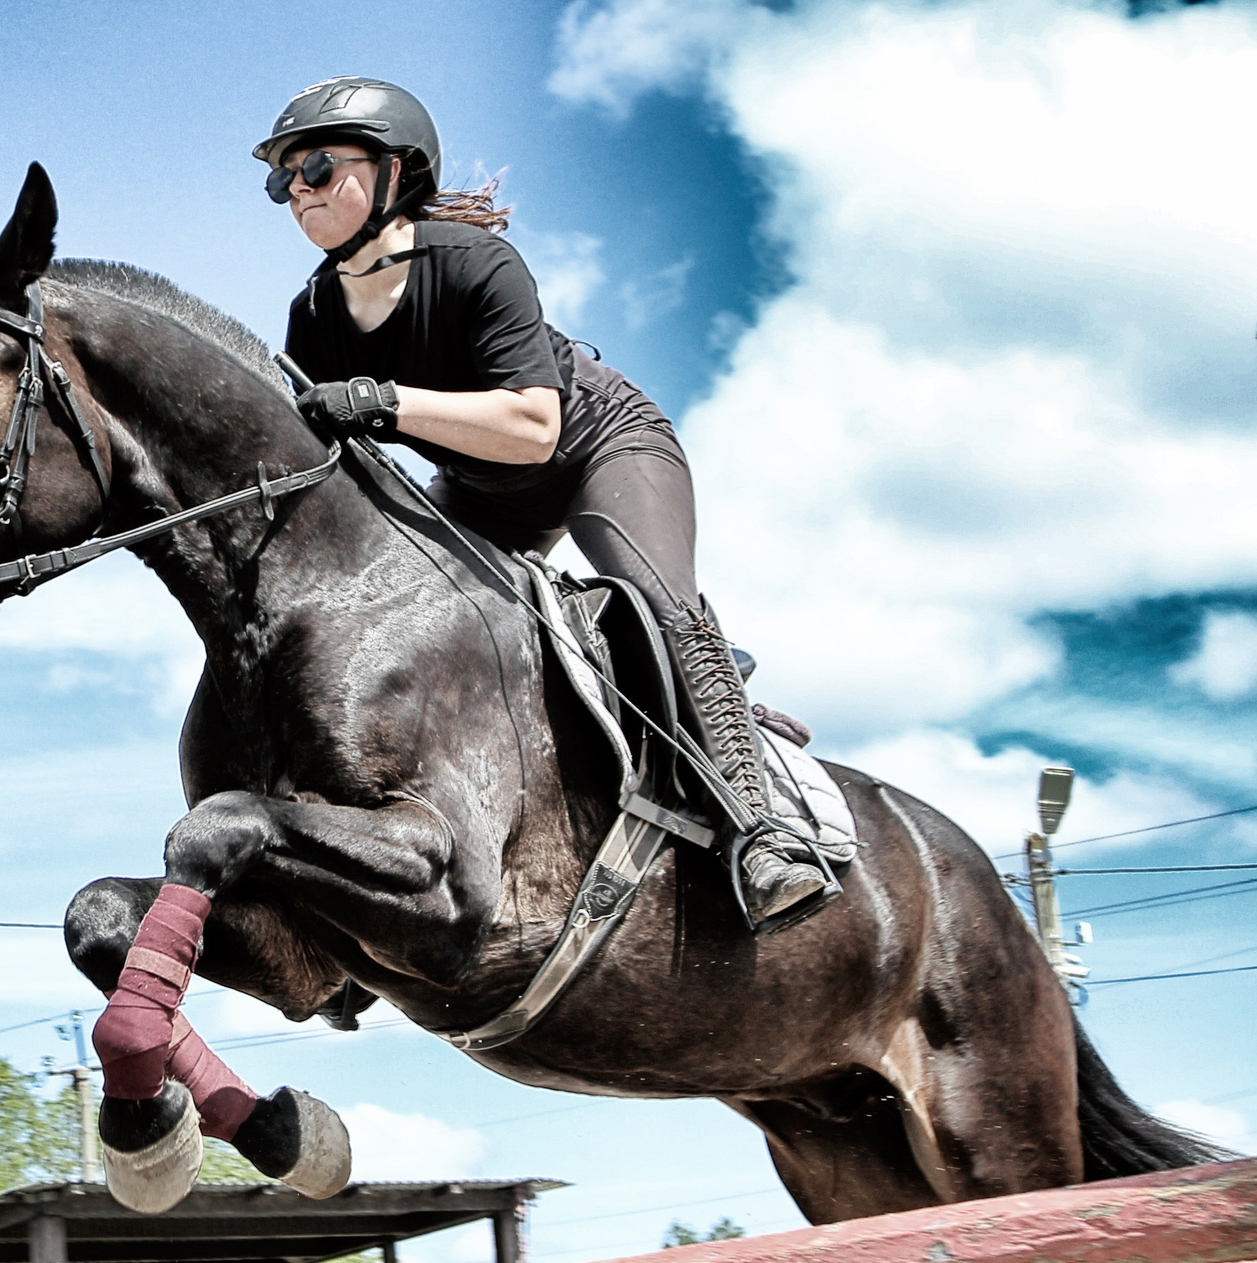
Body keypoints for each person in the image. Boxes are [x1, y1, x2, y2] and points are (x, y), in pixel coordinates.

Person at [258, 76, 832, 931]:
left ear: (395, 172)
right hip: (482, 487)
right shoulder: (313, 312)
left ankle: (765, 832)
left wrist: (383, 401)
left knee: (655, 609)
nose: (296, 193)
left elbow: (531, 425)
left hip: (597, 446)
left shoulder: (472, 262)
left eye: (316, 167)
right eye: (282, 180)